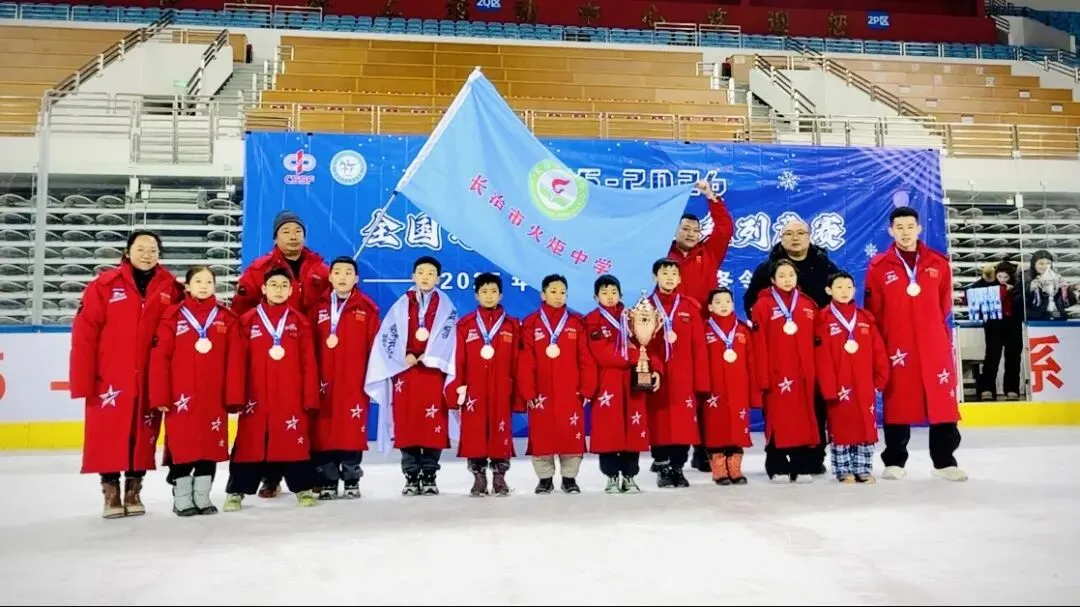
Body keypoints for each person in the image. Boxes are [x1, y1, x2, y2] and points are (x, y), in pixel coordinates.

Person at [69, 230, 185, 518]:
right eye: (141, 248)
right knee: (107, 433)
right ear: (127, 252)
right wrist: (82, 379)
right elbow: (84, 335)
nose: (147, 254)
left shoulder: (171, 287)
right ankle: (110, 491)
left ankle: (134, 489)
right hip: (109, 377)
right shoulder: (103, 286)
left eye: (153, 250)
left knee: (144, 432)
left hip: (150, 375)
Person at [864, 206, 967, 482]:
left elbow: (943, 304)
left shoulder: (938, 263)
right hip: (897, 346)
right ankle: (895, 460)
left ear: (919, 228)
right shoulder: (879, 267)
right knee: (898, 400)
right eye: (899, 227)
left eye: (910, 226)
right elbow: (874, 310)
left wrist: (929, 328)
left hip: (933, 343)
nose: (905, 232)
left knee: (941, 400)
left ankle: (944, 461)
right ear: (890, 231)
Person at [232, 210, 329, 499]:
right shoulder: (259, 269)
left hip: (312, 345)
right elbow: (240, 310)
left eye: (298, 231)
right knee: (265, 420)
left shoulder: (320, 268)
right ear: (275, 237)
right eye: (286, 231)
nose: (293, 236)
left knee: (301, 417)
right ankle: (270, 478)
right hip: (268, 354)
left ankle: (308, 475)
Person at [743, 217, 840, 474]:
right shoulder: (766, 269)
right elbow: (751, 303)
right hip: (779, 351)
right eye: (788, 233)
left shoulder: (825, 266)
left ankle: (813, 456)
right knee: (779, 406)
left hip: (812, 350)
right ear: (781, 238)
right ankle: (776, 457)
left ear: (809, 235)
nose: (795, 238)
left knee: (814, 404)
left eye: (800, 233)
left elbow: (838, 300)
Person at [223, 268, 321, 511]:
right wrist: (236, 396)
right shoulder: (248, 320)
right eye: (274, 285)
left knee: (293, 441)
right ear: (264, 289)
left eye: (284, 285)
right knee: (249, 444)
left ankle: (303, 488)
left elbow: (309, 363)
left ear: (291, 290)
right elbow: (237, 361)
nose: (279, 290)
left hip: (290, 395)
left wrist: (310, 397)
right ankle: (236, 491)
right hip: (255, 396)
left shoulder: (299, 321)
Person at [365, 256, 458, 496]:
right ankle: (411, 474)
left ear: (438, 278)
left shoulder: (446, 307)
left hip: (433, 373)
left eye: (431, 273)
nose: (425, 277)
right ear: (413, 276)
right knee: (407, 423)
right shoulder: (402, 304)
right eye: (421, 272)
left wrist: (431, 355)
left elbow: (450, 339)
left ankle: (430, 474)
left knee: (433, 424)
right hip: (405, 373)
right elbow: (388, 334)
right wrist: (402, 354)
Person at [666, 179, 733, 473]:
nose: (691, 234)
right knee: (674, 394)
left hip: (706, 334)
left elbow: (725, 228)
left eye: (696, 230)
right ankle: (669, 454)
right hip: (670, 336)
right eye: (685, 229)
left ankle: (704, 450)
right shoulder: (662, 257)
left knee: (706, 393)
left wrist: (711, 197)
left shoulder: (710, 252)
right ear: (674, 231)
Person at [308, 256, 380, 500]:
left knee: (352, 431)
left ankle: (351, 478)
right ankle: (327, 480)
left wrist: (370, 378)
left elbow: (374, 349)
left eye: (348, 273)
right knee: (324, 431)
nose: (342, 277)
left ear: (356, 278)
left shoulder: (368, 309)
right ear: (329, 277)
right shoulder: (317, 307)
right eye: (337, 272)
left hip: (354, 381)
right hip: (323, 382)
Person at [517, 274, 597, 495]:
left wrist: (587, 388)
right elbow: (526, 360)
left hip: (571, 391)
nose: (558, 296)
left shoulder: (576, 323)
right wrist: (528, 391)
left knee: (570, 433)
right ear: (543, 295)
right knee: (542, 435)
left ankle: (569, 478)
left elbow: (585, 358)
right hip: (540, 393)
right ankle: (545, 479)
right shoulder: (531, 323)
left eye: (563, 292)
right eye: (553, 291)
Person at [445, 272, 521, 497]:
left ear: (501, 295)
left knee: (500, 432)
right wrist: (457, 389)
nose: (489, 296)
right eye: (484, 292)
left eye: (493, 291)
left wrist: (516, 393)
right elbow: (458, 359)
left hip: (502, 388)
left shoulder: (511, 325)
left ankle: (500, 478)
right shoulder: (465, 324)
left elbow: (517, 361)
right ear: (476, 295)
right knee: (474, 433)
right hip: (474, 389)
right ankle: (478, 478)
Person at [585, 275, 661, 494]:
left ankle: (629, 476)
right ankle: (611, 476)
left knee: (633, 428)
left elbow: (648, 344)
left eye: (613, 292)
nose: (610, 296)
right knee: (608, 430)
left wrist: (656, 368)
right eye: (604, 292)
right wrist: (636, 356)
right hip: (607, 383)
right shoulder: (592, 320)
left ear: (620, 294)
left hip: (633, 381)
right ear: (595, 297)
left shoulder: (632, 316)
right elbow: (603, 354)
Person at [814, 272, 889, 484]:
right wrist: (828, 387)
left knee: (865, 424)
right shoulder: (823, 318)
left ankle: (863, 469)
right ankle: (843, 470)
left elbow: (878, 351)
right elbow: (821, 357)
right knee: (842, 426)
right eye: (839, 287)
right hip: (839, 385)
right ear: (829, 290)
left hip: (864, 383)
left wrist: (879, 378)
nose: (844, 291)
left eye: (849, 287)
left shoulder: (865, 318)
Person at [750, 259, 820, 483]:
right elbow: (758, 344)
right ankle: (777, 465)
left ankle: (801, 465)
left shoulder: (808, 305)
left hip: (804, 375)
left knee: (803, 420)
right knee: (777, 419)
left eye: (791, 275)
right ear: (772, 279)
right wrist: (762, 377)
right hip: (776, 373)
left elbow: (817, 342)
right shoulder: (762, 305)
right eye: (782, 275)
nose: (787, 279)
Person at [646, 259, 709, 488]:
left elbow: (699, 347)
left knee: (683, 423)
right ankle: (662, 467)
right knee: (659, 422)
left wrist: (701, 382)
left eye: (674, 273)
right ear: (655, 277)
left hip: (684, 376)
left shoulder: (689, 307)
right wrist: (654, 368)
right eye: (665, 273)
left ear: (680, 278)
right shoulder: (646, 307)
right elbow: (642, 344)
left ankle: (678, 467)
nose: (670, 277)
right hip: (658, 376)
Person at [701, 288, 757, 486]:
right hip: (713, 390)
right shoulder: (703, 329)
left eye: (727, 301)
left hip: (738, 388)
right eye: (718, 302)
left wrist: (753, 391)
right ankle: (719, 470)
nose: (723, 305)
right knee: (716, 428)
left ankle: (735, 469)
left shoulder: (742, 329)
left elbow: (751, 361)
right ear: (710, 307)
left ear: (733, 304)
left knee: (737, 427)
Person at [968, 261, 1023, 401]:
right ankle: (987, 388)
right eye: (1000, 276)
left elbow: (1021, 303)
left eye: (1006, 277)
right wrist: (985, 278)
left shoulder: (1018, 285)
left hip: (1013, 324)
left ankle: (1012, 389)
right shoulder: (989, 283)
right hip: (994, 325)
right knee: (992, 357)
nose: (1003, 279)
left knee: (1013, 358)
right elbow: (971, 292)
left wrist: (1013, 291)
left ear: (1011, 276)